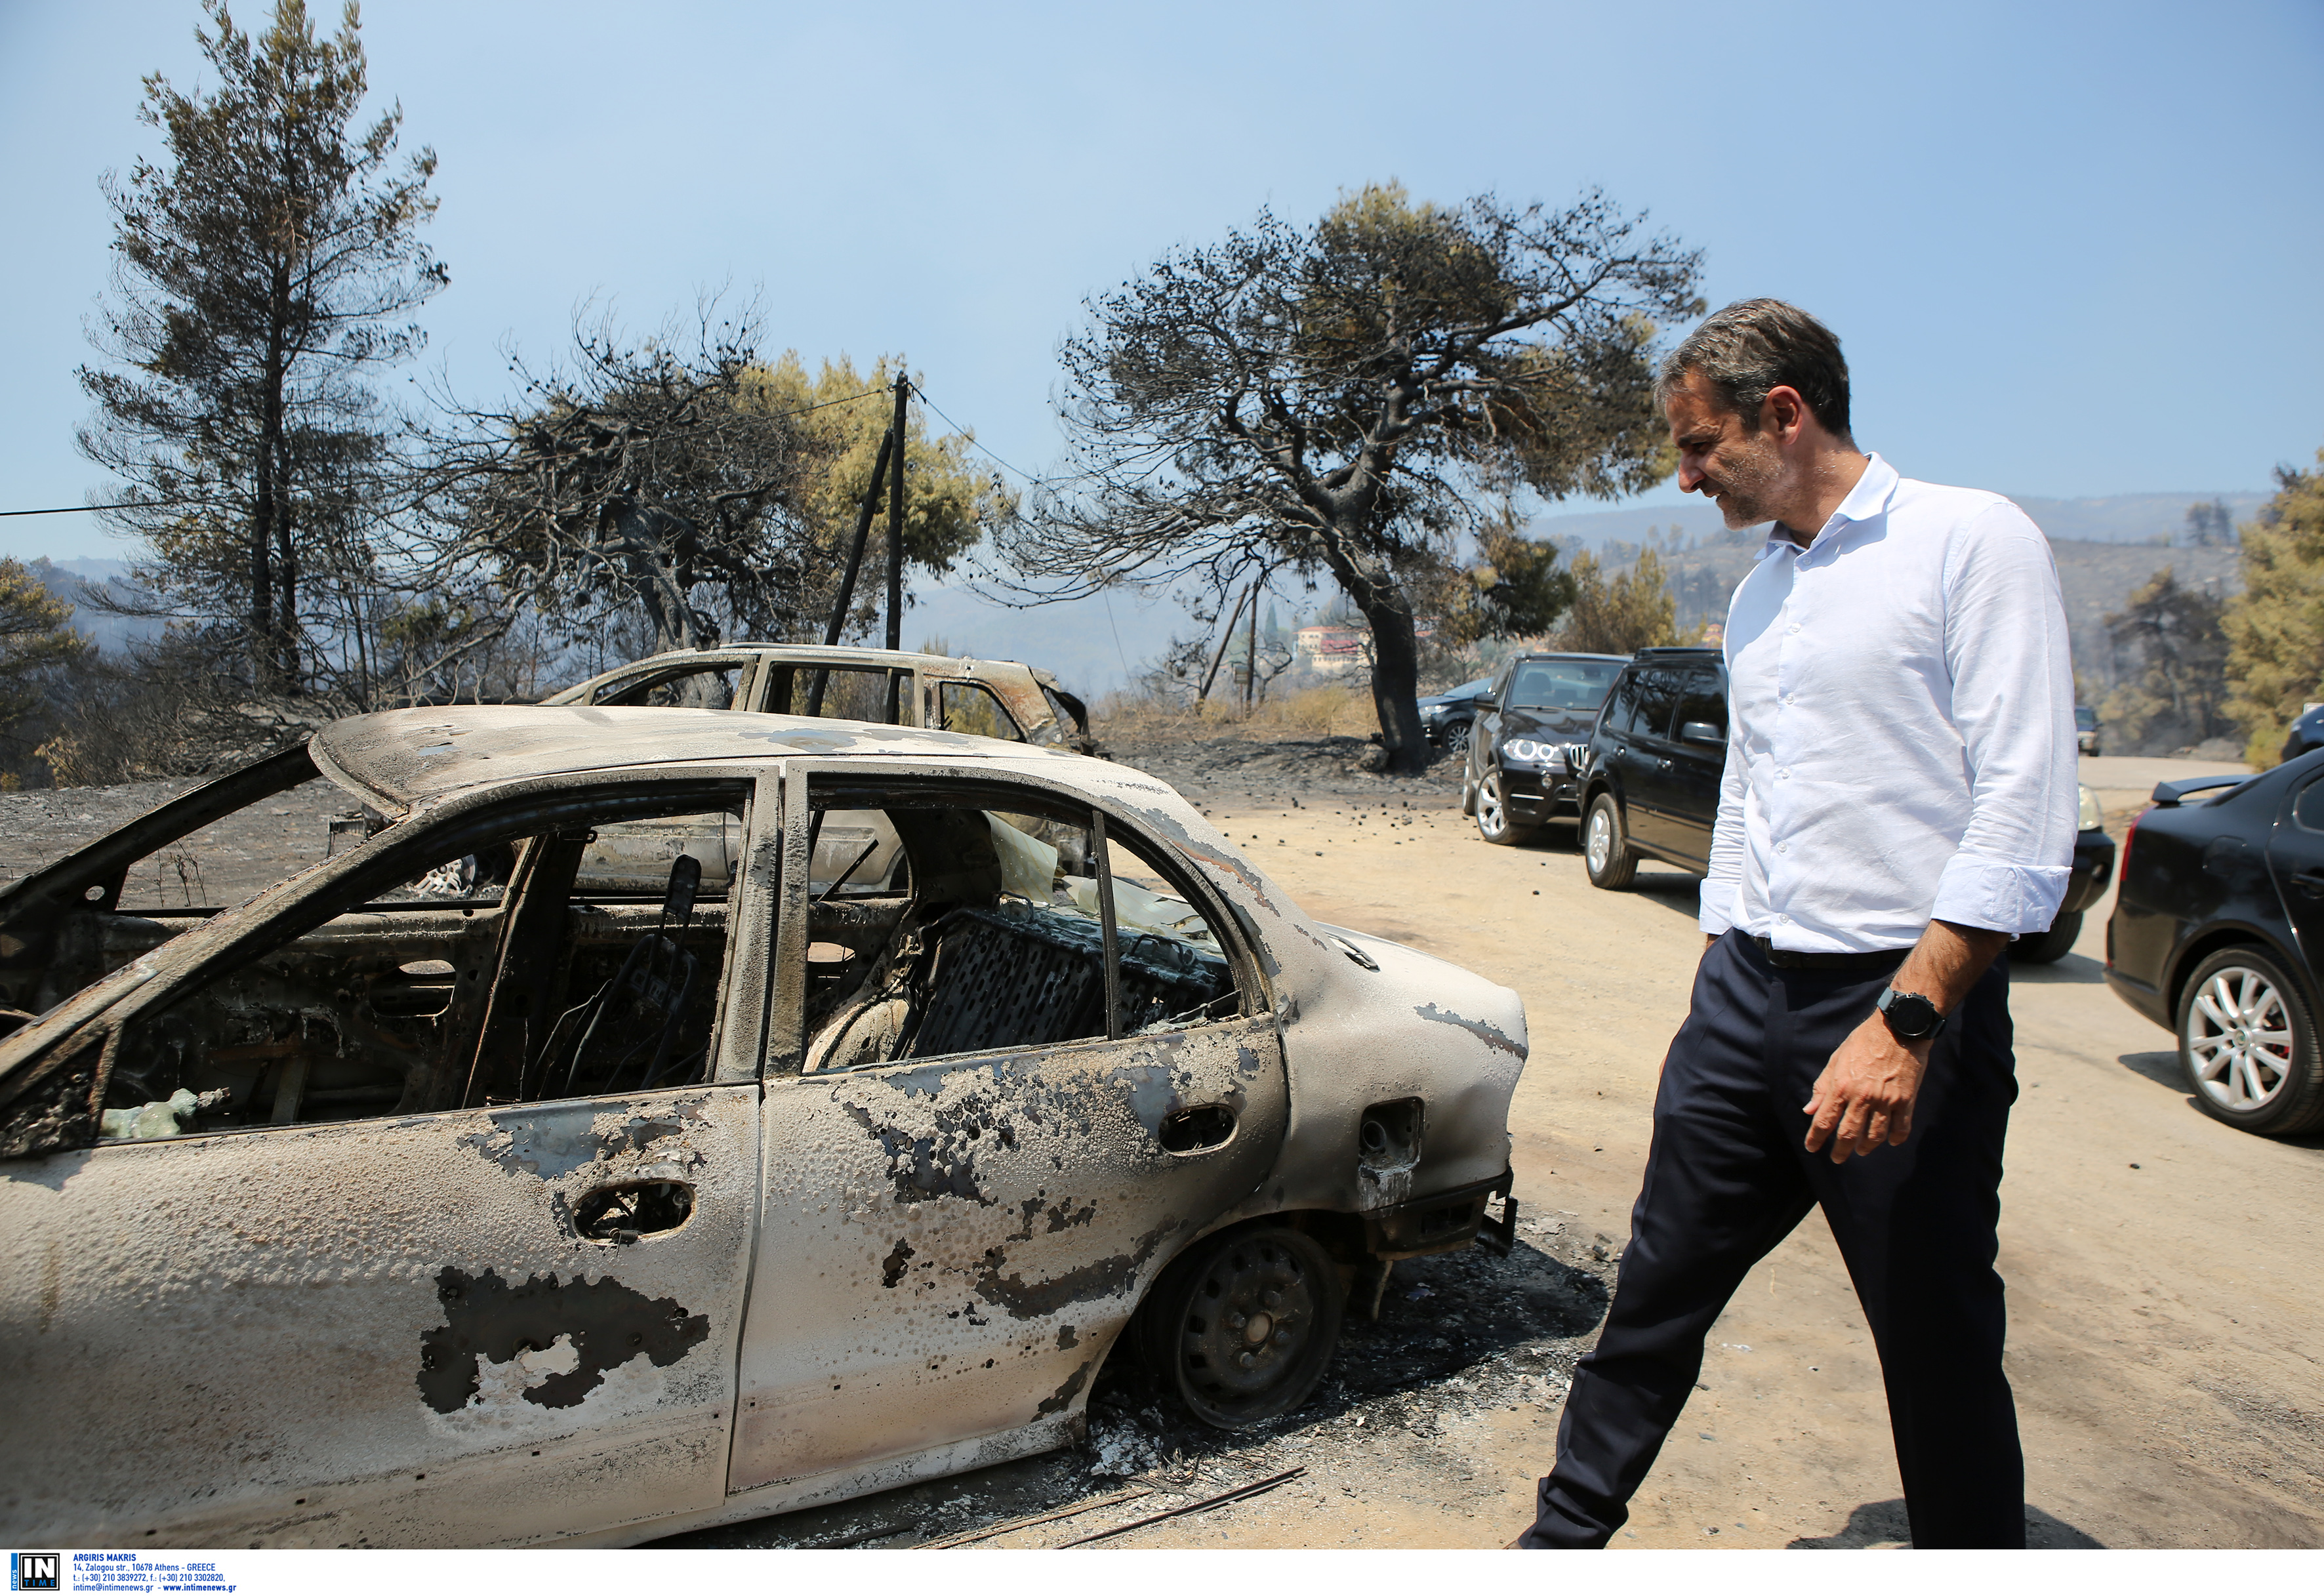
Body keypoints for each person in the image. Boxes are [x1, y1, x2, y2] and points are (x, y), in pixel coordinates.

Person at [1515, 299, 2075, 1550]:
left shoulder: (1968, 541)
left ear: (1786, 412)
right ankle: (1555, 1549)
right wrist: (1723, 969)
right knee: (1650, 1299)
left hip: (1897, 1003)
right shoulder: (1763, 596)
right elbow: (1753, 800)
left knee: (1935, 1343)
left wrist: (1909, 1022)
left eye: (1702, 443)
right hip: (1747, 999)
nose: (1686, 472)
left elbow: (2024, 814)